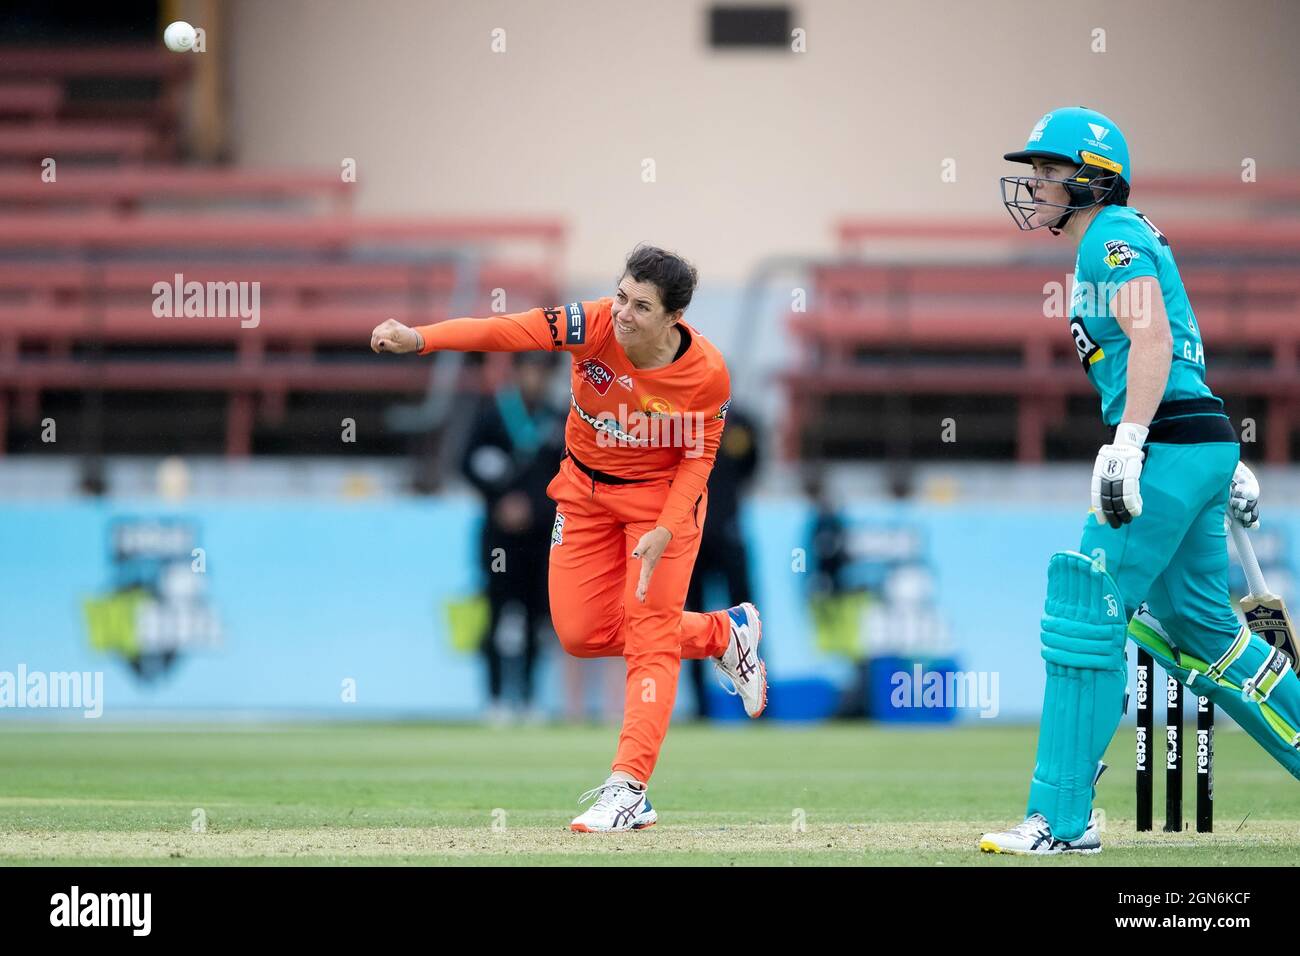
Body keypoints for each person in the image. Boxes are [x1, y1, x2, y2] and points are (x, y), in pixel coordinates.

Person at [980, 107, 1300, 855]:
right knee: (1207, 634)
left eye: (1049, 172)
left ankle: (1060, 821)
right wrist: (1216, 451)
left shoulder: (1109, 238)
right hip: (1192, 440)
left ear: (1093, 179)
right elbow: (1177, 346)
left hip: (1168, 445)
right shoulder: (1119, 237)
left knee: (1084, 606)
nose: (1035, 186)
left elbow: (1153, 337)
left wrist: (1132, 444)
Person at [371, 244, 768, 832]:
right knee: (580, 634)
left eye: (641, 306)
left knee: (651, 635)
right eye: (622, 294)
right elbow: (508, 331)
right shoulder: (593, 324)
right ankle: (720, 632)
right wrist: (421, 338)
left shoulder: (705, 374)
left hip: (661, 506)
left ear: (673, 319)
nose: (623, 312)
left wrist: (666, 526)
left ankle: (629, 790)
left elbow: (699, 456)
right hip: (582, 493)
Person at [460, 352, 565, 724]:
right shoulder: (492, 414)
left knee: (540, 617)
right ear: (517, 372)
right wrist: (500, 501)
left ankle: (532, 699)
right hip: (499, 537)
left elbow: (568, 477)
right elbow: (467, 462)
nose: (534, 378)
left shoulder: (560, 419)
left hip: (543, 536)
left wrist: (535, 509)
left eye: (541, 371)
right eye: (528, 369)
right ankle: (494, 699)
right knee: (497, 612)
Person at [683, 402, 760, 719]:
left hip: (726, 530)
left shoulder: (741, 421)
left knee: (745, 618)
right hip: (692, 536)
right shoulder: (682, 421)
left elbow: (751, 465)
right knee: (690, 618)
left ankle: (755, 699)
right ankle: (701, 706)